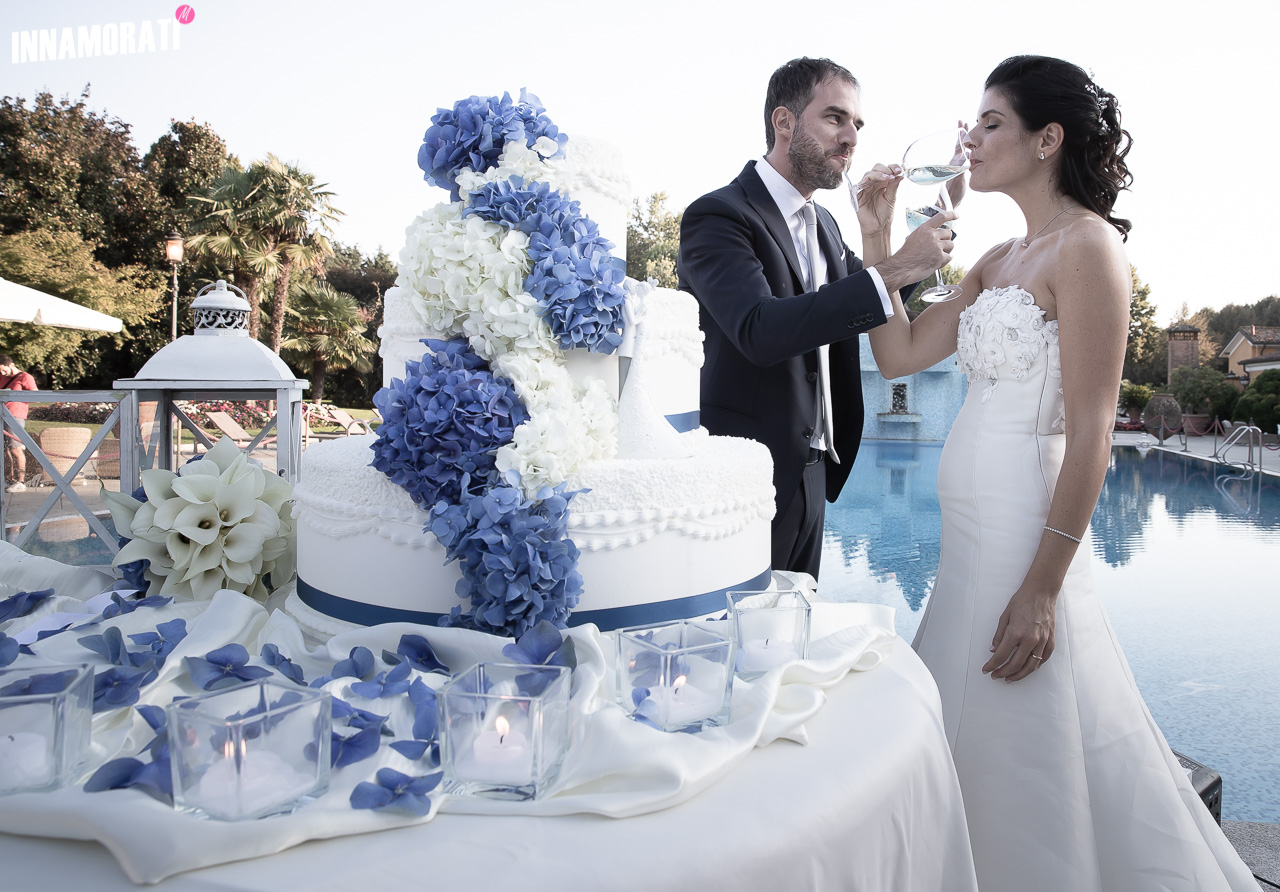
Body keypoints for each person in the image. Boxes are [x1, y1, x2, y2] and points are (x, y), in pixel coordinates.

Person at [863, 55, 1258, 891]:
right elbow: (898, 355)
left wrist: (1043, 588)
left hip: (1025, 533)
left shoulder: (1089, 248)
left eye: (991, 122)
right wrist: (876, 241)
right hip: (964, 543)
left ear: (1048, 139)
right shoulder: (998, 257)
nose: (971, 139)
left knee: (1023, 731)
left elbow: (1091, 436)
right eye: (971, 123)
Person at [677, 57, 954, 579]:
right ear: (784, 122)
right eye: (835, 118)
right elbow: (760, 329)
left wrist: (885, 236)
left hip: (814, 477)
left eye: (858, 124)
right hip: (742, 478)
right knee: (737, 625)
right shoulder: (719, 216)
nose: (852, 138)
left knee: (795, 624)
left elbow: (862, 305)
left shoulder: (824, 222)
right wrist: (898, 265)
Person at [1, 354, 37, 493]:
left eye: (3, 370)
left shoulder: (25, 377)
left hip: (15, 416)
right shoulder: (2, 377)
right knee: (5, 449)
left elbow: (36, 396)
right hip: (2, 414)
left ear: (11, 365)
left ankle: (20, 481)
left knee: (15, 448)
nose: (2, 373)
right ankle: (9, 479)